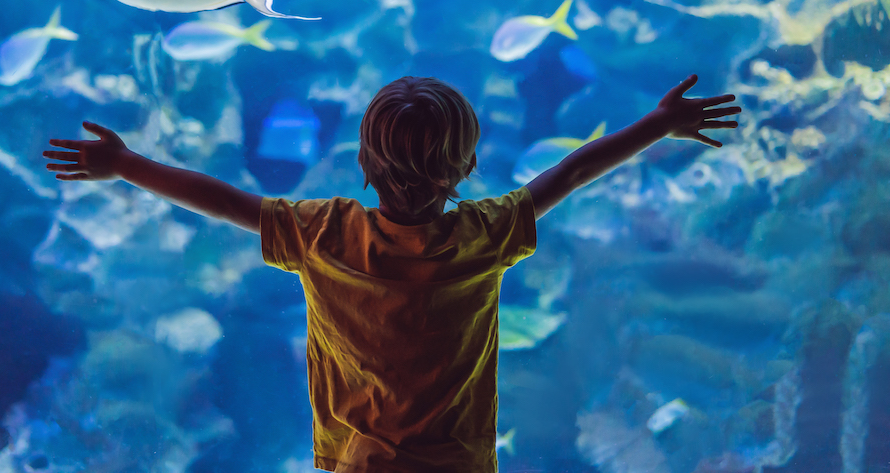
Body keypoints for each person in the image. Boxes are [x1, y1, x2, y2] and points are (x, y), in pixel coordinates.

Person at [43, 73, 740, 472]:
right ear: (467, 166)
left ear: (363, 162)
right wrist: (658, 124)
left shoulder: (324, 233)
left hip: (361, 460)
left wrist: (125, 163)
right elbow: (571, 172)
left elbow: (226, 202)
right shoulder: (483, 235)